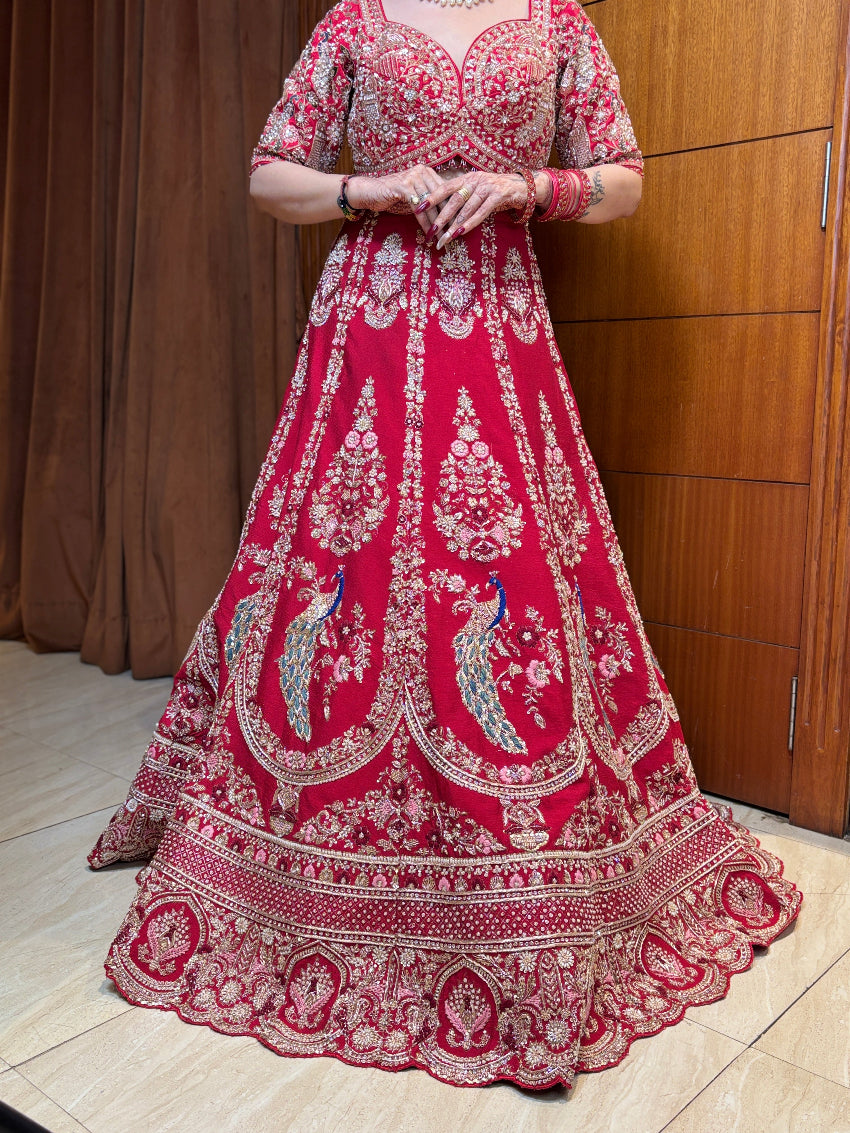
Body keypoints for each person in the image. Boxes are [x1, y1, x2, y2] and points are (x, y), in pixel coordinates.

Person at [88, 0, 801, 1090]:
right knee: (340, 567)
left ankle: (519, 861)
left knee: (508, 573)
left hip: (500, 325)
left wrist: (527, 188)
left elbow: (623, 181)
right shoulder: (355, 21)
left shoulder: (557, 23)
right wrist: (365, 188)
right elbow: (268, 174)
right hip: (367, 322)